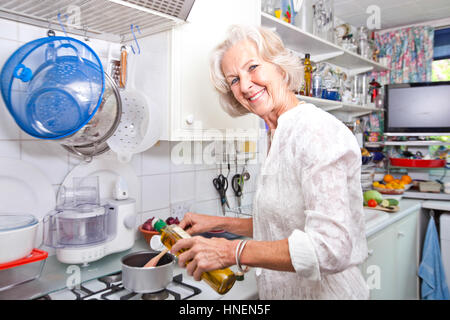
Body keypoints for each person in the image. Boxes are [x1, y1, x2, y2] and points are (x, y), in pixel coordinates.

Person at [170, 25, 369, 300]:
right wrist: (218, 223)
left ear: (280, 67)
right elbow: (285, 220)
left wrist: (230, 251)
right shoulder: (275, 132)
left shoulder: (316, 130)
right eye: (234, 80)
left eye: (252, 67)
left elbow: (331, 247)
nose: (246, 85)